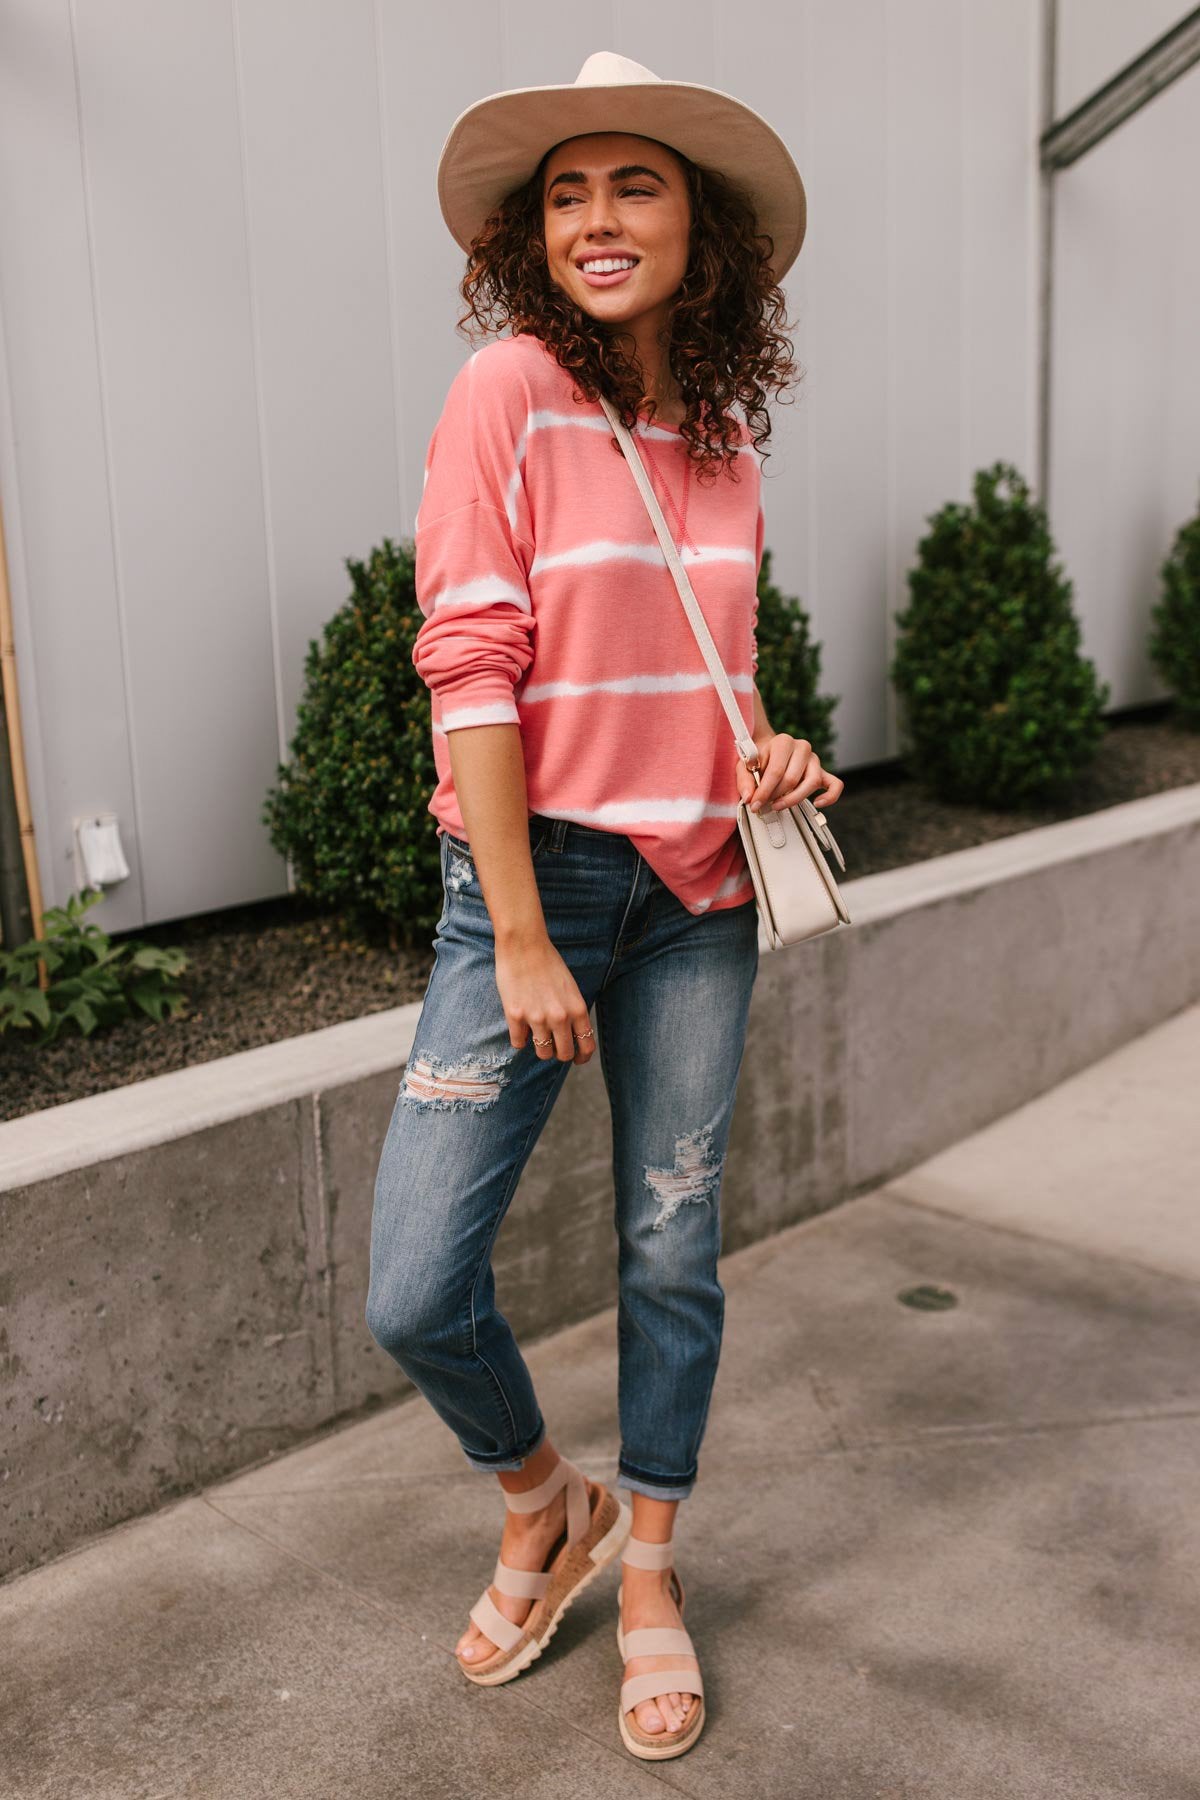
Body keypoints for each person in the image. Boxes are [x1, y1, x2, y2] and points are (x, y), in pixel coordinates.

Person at [366, 50, 843, 1762]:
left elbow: (712, 672)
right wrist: (515, 928)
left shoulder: (721, 436)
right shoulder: (504, 390)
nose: (597, 219)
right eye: (566, 194)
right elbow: (472, 673)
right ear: (529, 238)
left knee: (672, 1252)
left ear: (696, 230)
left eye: (632, 186)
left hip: (700, 886)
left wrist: (771, 748)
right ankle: (537, 1497)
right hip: (536, 880)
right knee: (416, 1286)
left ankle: (646, 1573)